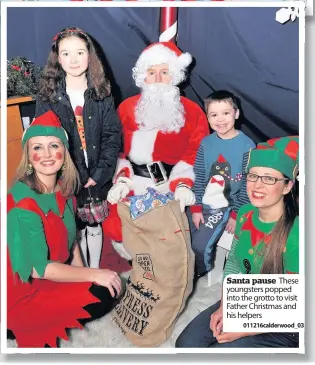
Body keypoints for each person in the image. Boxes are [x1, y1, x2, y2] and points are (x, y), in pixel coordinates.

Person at [7, 111, 122, 348]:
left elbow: (72, 240)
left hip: (51, 274)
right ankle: (13, 325)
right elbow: (37, 270)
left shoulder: (63, 189)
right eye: (37, 148)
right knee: (101, 282)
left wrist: (82, 274)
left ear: (64, 152)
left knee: (106, 290)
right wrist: (92, 274)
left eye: (53, 145)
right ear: (28, 156)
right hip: (22, 290)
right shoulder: (22, 204)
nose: (47, 155)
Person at [175, 136, 299, 348]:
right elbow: (233, 262)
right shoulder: (245, 213)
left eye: (269, 178)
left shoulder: (297, 234)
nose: (257, 185)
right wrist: (225, 305)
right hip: (246, 296)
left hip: (285, 318)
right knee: (186, 345)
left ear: (287, 186)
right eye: (253, 176)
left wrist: (243, 330)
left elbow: (298, 303)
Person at [105, 41, 209, 258]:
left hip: (170, 188)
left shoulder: (192, 111)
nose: (158, 79)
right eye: (151, 72)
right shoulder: (126, 108)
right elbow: (116, 151)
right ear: (143, 76)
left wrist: (183, 184)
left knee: (167, 244)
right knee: (124, 236)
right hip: (133, 183)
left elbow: (196, 154)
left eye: (165, 72)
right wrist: (122, 181)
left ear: (176, 75)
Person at [36, 26, 122, 269]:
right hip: (66, 174)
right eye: (66, 54)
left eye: (80, 52)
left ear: (89, 55)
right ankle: (81, 271)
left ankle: (94, 269)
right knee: (74, 227)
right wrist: (62, 174)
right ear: (57, 57)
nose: (73, 60)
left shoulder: (102, 91)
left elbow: (111, 134)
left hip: (95, 172)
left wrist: (101, 173)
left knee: (93, 224)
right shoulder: (49, 94)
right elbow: (45, 139)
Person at [188, 90, 256, 277]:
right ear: (208, 117)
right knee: (179, 234)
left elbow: (249, 183)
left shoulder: (247, 145)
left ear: (236, 113)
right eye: (214, 114)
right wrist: (196, 207)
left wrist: (236, 214)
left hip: (226, 206)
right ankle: (181, 267)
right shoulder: (206, 143)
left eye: (226, 113)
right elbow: (199, 175)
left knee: (199, 245)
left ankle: (200, 270)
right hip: (203, 201)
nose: (220, 119)